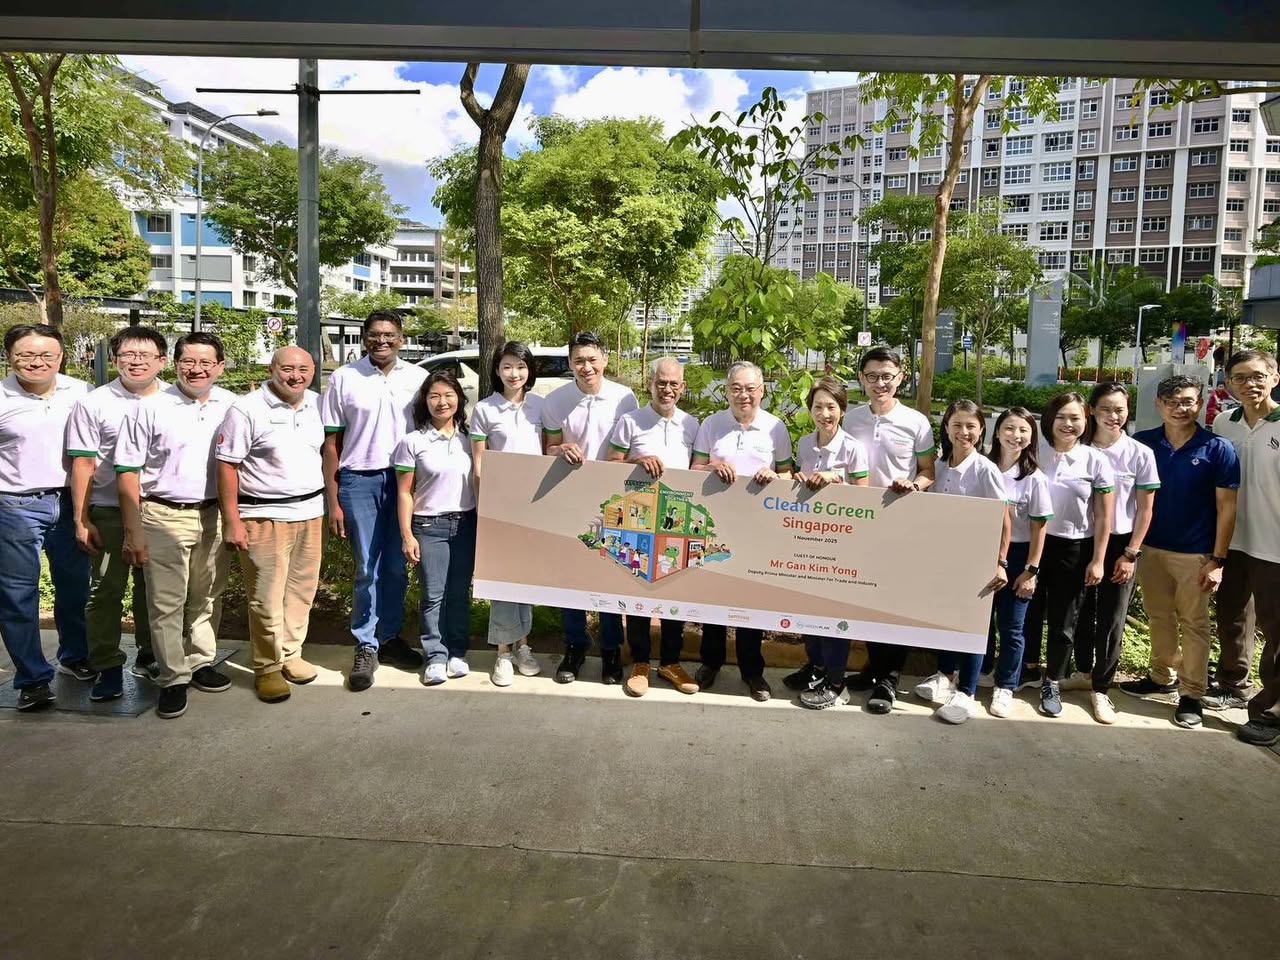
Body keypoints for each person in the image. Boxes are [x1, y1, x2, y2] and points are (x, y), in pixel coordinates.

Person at [115, 332, 235, 720]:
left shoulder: (232, 406)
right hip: (162, 515)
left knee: (206, 596)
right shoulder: (149, 407)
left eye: (206, 363)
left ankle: (201, 662)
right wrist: (133, 530)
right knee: (166, 603)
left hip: (214, 515)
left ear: (220, 367)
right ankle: (172, 677)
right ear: (175, 363)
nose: (196, 369)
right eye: (188, 361)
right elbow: (128, 471)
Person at [1118, 376, 1238, 730]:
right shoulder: (1143, 444)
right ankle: (1160, 676)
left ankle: (1192, 694)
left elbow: (1227, 509)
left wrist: (1218, 560)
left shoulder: (1217, 448)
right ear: (1159, 404)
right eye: (1171, 401)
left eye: (1187, 401)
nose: (1179, 408)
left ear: (1199, 404)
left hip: (1196, 554)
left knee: (1195, 624)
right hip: (1150, 548)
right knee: (1159, 616)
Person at [321, 310, 427, 692]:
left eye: (390, 335)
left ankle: (390, 637)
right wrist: (333, 500)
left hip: (405, 480)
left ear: (401, 338)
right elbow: (331, 444)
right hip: (359, 480)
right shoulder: (344, 378)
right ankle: (365, 643)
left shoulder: (418, 379)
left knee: (398, 566)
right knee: (367, 566)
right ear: (364, 337)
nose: (382, 341)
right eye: (375, 335)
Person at [215, 346, 325, 704]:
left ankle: (291, 654)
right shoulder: (246, 409)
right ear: (272, 368)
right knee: (265, 598)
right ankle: (267, 666)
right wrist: (232, 520)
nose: (295, 376)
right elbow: (227, 466)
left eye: (303, 369)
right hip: (263, 515)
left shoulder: (316, 404)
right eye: (287, 368)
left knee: (302, 591)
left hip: (310, 511)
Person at [65, 326, 167, 701]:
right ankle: (106, 663)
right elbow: (83, 463)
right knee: (106, 589)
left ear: (162, 360)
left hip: (156, 509)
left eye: (145, 355)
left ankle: (150, 654)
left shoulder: (173, 401)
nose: (136, 362)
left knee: (152, 588)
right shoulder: (93, 403)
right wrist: (82, 518)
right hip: (107, 508)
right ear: (114, 359)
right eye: (127, 355)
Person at [0, 323, 91, 710]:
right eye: (26, 354)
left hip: (73, 502)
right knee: (19, 596)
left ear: (60, 356)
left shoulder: (81, 392)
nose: (36, 362)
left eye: (46, 355)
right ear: (9, 356)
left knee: (75, 587)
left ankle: (75, 656)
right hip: (15, 505)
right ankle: (33, 679)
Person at [691, 360, 793, 702]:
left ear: (762, 391)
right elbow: (695, 468)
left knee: (751, 599)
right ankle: (711, 663)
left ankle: (753, 672)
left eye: (750, 388)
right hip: (714, 523)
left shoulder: (776, 428)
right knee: (713, 598)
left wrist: (775, 477)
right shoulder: (711, 424)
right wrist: (713, 465)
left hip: (758, 527)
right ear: (727, 391)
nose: (743, 395)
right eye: (736, 388)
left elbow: (789, 475)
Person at [841, 347, 936, 714]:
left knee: (893, 602)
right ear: (861, 379)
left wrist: (914, 485)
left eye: (887, 376)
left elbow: (928, 471)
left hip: (899, 522)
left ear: (900, 378)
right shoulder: (851, 420)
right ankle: (870, 668)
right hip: (859, 523)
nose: (879, 383)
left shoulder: (916, 422)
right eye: (871, 376)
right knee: (863, 598)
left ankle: (888, 679)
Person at [542, 331, 639, 685]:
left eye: (592, 360)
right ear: (570, 364)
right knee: (573, 576)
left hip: (616, 499)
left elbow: (631, 445)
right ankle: (575, 645)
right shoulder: (556, 401)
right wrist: (560, 450)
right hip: (570, 495)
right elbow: (548, 448)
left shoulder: (624, 398)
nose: (586, 367)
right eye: (579, 361)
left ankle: (612, 649)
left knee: (612, 574)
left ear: (605, 361)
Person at [1062, 384, 1159, 724]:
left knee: (1112, 616)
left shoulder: (1139, 454)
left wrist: (1130, 553)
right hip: (1081, 540)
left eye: (1120, 410)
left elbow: (1145, 510)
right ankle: (1085, 672)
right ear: (1091, 411)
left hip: (1121, 545)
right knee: (1081, 610)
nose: (1114, 416)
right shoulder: (1077, 449)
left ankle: (1101, 688)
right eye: (1106, 409)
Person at [606, 357, 701, 697]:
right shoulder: (630, 421)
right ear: (650, 384)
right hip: (637, 516)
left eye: (674, 384)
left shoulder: (692, 425)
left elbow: (698, 468)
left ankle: (672, 663)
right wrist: (635, 460)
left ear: (683, 388)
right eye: (661, 382)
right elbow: (610, 465)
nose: (667, 389)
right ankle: (641, 662)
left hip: (678, 519)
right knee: (638, 590)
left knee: (676, 589)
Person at [916, 400, 1011, 724]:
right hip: (943, 560)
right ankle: (945, 675)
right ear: (946, 428)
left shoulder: (986, 470)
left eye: (971, 426)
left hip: (977, 560)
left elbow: (1004, 518)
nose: (963, 432)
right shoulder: (939, 467)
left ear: (982, 430)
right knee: (946, 618)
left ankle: (967, 691)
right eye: (957, 425)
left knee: (973, 625)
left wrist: (1001, 562)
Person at [786, 376, 870, 709]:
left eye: (831, 407)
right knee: (810, 608)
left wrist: (837, 479)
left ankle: (836, 684)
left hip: (842, 544)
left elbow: (863, 496)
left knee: (835, 613)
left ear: (843, 410)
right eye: (818, 407)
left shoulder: (853, 448)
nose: (825, 413)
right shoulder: (806, 444)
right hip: (809, 539)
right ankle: (816, 667)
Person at [1212, 350, 1280, 746]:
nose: (1249, 384)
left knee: (1276, 630)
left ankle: (1272, 709)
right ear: (1229, 383)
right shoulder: (1225, 422)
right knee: (1232, 617)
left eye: (1257, 376)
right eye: (1239, 378)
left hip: (1274, 545)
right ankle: (1232, 683)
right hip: (1233, 540)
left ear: (1274, 377)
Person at [1035, 392, 1115, 718]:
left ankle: (1053, 680)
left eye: (1075, 418)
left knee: (1064, 621)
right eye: (1061, 417)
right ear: (1049, 420)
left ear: (1086, 420)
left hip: (1073, 547)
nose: (1068, 424)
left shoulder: (1095, 460)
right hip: (1033, 544)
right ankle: (1018, 672)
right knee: (1027, 614)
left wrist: (1098, 559)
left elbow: (1104, 517)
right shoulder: (1034, 451)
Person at [395, 371, 477, 685]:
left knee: (459, 594)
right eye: (434, 396)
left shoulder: (469, 439)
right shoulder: (413, 441)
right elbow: (405, 491)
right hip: (429, 525)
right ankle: (435, 655)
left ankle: (457, 652)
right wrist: (407, 534)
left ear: (459, 399)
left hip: (466, 524)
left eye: (448, 395)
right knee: (432, 595)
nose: (442, 402)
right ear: (425, 401)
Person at [471, 341, 544, 687]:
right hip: (500, 508)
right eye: (507, 367)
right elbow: (479, 462)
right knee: (502, 580)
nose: (514, 374)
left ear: (530, 370)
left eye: (521, 366)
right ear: (496, 371)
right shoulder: (485, 410)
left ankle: (523, 646)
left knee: (527, 578)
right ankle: (501, 652)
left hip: (535, 507)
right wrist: (486, 506)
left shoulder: (541, 408)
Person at [978, 407, 1052, 718]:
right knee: (981, 621)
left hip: (1020, 555)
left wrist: (1031, 571)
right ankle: (980, 672)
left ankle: (1006, 684)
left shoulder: (1034, 478)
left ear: (1031, 437)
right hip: (982, 552)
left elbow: (1040, 528)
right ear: (996, 433)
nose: (1015, 436)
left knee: (1013, 625)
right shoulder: (983, 467)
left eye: (1023, 430)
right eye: (1009, 428)